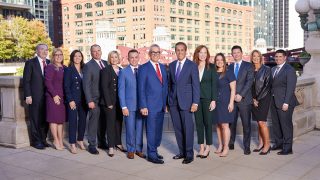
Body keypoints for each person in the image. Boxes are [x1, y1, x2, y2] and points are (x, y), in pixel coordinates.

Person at [168, 42, 200, 164]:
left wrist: (195, 103)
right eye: (178, 50)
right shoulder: (171, 65)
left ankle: (189, 154)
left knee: (188, 128)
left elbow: (196, 85)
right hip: (173, 102)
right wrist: (168, 101)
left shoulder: (192, 65)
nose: (180, 52)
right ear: (175, 51)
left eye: (182, 50)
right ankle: (182, 152)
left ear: (186, 51)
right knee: (178, 128)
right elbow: (170, 84)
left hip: (187, 102)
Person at [138, 44, 168, 164]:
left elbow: (164, 86)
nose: (155, 54)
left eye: (158, 52)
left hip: (161, 105)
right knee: (151, 130)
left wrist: (165, 104)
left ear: (160, 54)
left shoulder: (162, 67)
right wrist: (143, 105)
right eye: (153, 52)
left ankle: (154, 150)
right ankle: (151, 154)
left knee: (158, 130)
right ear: (149, 54)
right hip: (149, 106)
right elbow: (141, 89)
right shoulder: (144, 68)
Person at [118, 49, 146, 159]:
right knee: (130, 129)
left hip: (141, 106)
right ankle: (131, 150)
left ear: (139, 58)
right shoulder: (124, 72)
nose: (134, 59)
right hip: (129, 106)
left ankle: (139, 149)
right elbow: (121, 91)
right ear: (128, 59)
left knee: (139, 129)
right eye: (131, 57)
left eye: (136, 57)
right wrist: (123, 106)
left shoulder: (143, 70)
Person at [270, 49, 299, 155]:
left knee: (286, 125)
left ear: (285, 58)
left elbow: (291, 87)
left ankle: (288, 148)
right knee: (276, 124)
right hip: (274, 100)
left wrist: (286, 102)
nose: (277, 58)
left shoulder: (289, 69)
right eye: (276, 56)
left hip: (285, 102)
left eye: (280, 56)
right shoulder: (273, 69)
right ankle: (278, 143)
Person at [23, 44, 50, 149]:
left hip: (48, 97)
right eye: (42, 49)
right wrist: (28, 95)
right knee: (35, 119)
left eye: (46, 50)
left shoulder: (49, 63)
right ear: (37, 51)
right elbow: (26, 81)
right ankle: (36, 141)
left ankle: (43, 139)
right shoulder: (30, 63)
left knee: (45, 119)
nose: (44, 51)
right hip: (34, 97)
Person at [228, 45, 254, 155]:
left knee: (246, 124)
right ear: (232, 55)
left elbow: (249, 81)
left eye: (238, 52)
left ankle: (247, 146)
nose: (236, 54)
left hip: (244, 100)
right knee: (231, 123)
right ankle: (231, 142)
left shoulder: (248, 66)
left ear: (241, 53)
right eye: (234, 53)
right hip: (232, 100)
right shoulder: (229, 67)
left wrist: (241, 95)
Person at [193, 45, 217, 158]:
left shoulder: (211, 67)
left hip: (208, 99)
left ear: (207, 54)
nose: (202, 55)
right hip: (196, 100)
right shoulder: (193, 66)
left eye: (205, 52)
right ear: (197, 54)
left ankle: (208, 147)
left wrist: (214, 100)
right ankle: (201, 146)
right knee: (199, 124)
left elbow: (214, 85)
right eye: (200, 52)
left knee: (208, 123)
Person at [100, 51, 126, 157]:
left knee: (119, 123)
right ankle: (111, 146)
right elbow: (104, 87)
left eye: (116, 57)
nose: (114, 59)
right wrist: (108, 102)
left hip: (120, 102)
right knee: (110, 124)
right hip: (109, 102)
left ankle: (118, 143)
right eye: (112, 57)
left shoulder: (121, 70)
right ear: (109, 59)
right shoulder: (106, 70)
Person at [83, 44, 108, 155]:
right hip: (94, 99)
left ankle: (102, 141)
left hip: (105, 99)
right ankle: (92, 145)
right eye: (94, 51)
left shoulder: (106, 63)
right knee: (93, 122)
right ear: (91, 53)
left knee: (103, 122)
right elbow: (86, 85)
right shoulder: (88, 66)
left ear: (101, 51)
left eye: (98, 50)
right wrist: (89, 100)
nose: (97, 53)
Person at [64, 50, 87, 154]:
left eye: (79, 56)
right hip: (73, 100)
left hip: (84, 100)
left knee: (83, 121)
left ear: (82, 57)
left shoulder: (85, 69)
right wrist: (70, 100)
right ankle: (72, 144)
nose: (77, 58)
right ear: (72, 58)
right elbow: (66, 87)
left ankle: (80, 140)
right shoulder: (69, 70)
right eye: (75, 56)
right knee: (73, 122)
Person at [214, 53, 236, 157]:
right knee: (218, 125)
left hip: (225, 101)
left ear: (224, 61)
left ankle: (226, 147)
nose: (219, 61)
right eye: (217, 60)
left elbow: (233, 89)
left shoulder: (229, 73)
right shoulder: (213, 73)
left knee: (225, 125)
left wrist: (231, 103)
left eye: (221, 60)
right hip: (216, 102)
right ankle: (220, 145)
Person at [251, 50, 272, 155]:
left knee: (262, 122)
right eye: (253, 56)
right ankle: (260, 143)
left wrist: (257, 99)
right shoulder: (250, 69)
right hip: (253, 99)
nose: (255, 58)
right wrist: (252, 99)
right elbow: (248, 85)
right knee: (258, 122)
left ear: (260, 57)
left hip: (263, 98)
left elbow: (267, 86)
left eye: (257, 56)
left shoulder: (267, 69)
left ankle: (267, 145)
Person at [44, 48, 66, 150]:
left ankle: (61, 139)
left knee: (60, 120)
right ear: (53, 56)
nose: (58, 56)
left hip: (62, 97)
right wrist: (54, 95)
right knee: (53, 119)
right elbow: (48, 82)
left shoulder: (64, 67)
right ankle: (55, 140)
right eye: (56, 55)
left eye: (60, 54)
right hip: (52, 97)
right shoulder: (50, 67)